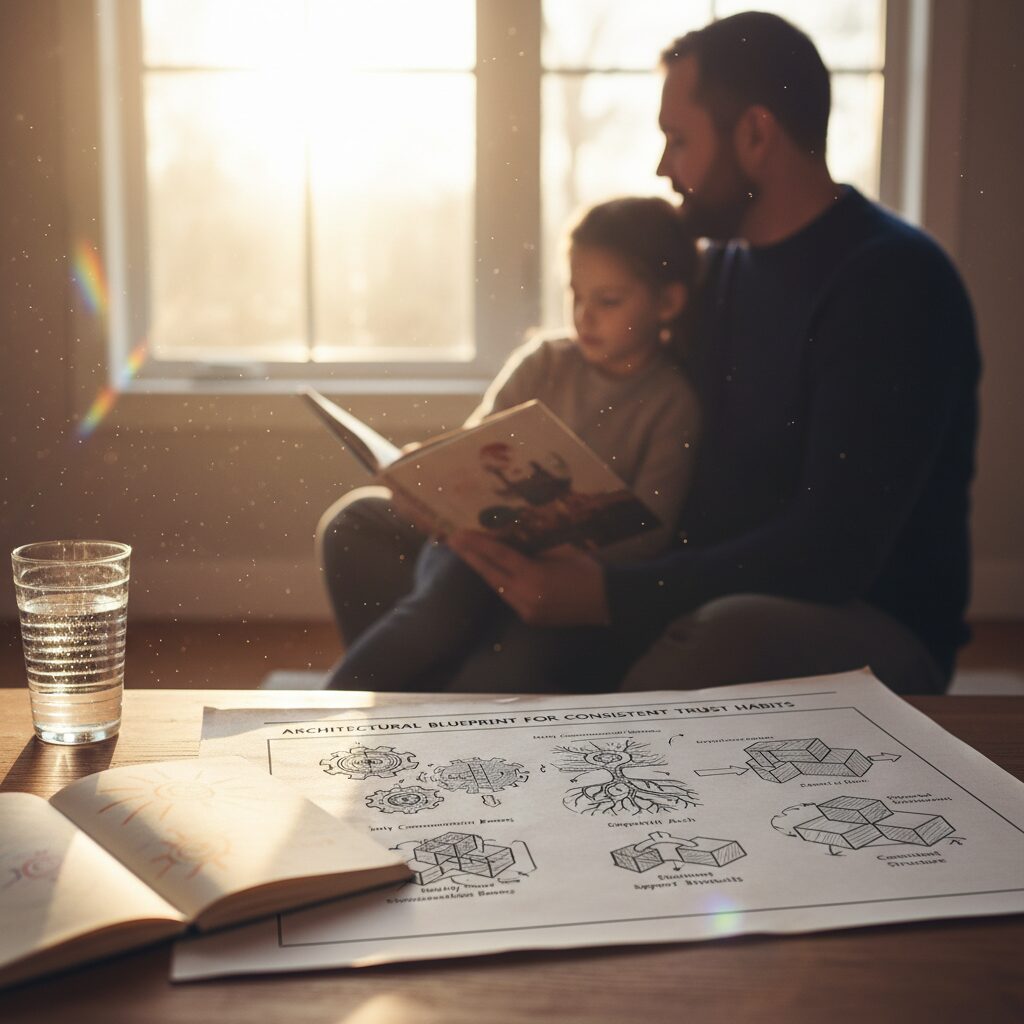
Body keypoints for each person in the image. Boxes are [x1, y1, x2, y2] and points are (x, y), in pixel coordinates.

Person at [445, 11, 980, 696]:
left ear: (755, 134)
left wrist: (610, 593)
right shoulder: (719, 267)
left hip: (858, 620)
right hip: (692, 581)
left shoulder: (894, 284)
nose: (662, 167)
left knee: (724, 633)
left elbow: (830, 554)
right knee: (367, 529)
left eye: (677, 139)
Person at [321, 197, 700, 691]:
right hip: (477, 549)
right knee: (425, 595)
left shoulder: (672, 403)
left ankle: (432, 708)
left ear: (667, 303)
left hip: (563, 581)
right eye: (575, 295)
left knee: (499, 666)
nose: (584, 316)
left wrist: (571, 557)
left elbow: (652, 532)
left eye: (607, 301)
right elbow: (472, 447)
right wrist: (426, 478)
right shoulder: (544, 362)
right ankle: (332, 711)